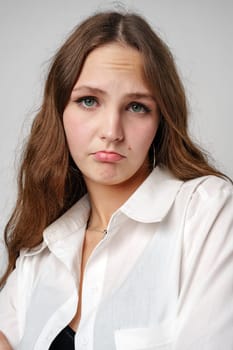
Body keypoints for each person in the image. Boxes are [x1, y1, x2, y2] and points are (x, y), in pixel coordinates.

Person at [0, 10, 232, 350]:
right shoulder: (43, 250)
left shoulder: (206, 211)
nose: (111, 131)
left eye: (137, 107)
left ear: (161, 121)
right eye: (88, 101)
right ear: (59, 113)